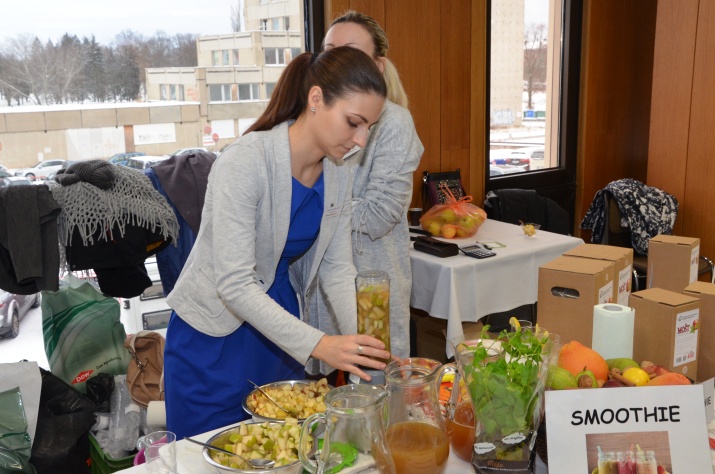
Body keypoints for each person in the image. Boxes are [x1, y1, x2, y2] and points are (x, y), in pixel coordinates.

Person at [163, 46, 390, 438]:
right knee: (211, 454)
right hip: (213, 339)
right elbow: (234, 285)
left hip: (278, 330)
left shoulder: (340, 170)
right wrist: (321, 345)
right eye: (354, 122)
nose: (361, 140)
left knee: (283, 450)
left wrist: (362, 349)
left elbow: (337, 268)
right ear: (316, 99)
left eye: (369, 127)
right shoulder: (245, 162)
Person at [323, 12, 424, 372]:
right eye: (329, 51)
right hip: (322, 290)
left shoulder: (394, 122)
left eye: (350, 52)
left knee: (376, 396)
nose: (336, 62)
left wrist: (321, 209)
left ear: (378, 66)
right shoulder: (318, 118)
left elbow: (379, 215)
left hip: (372, 290)